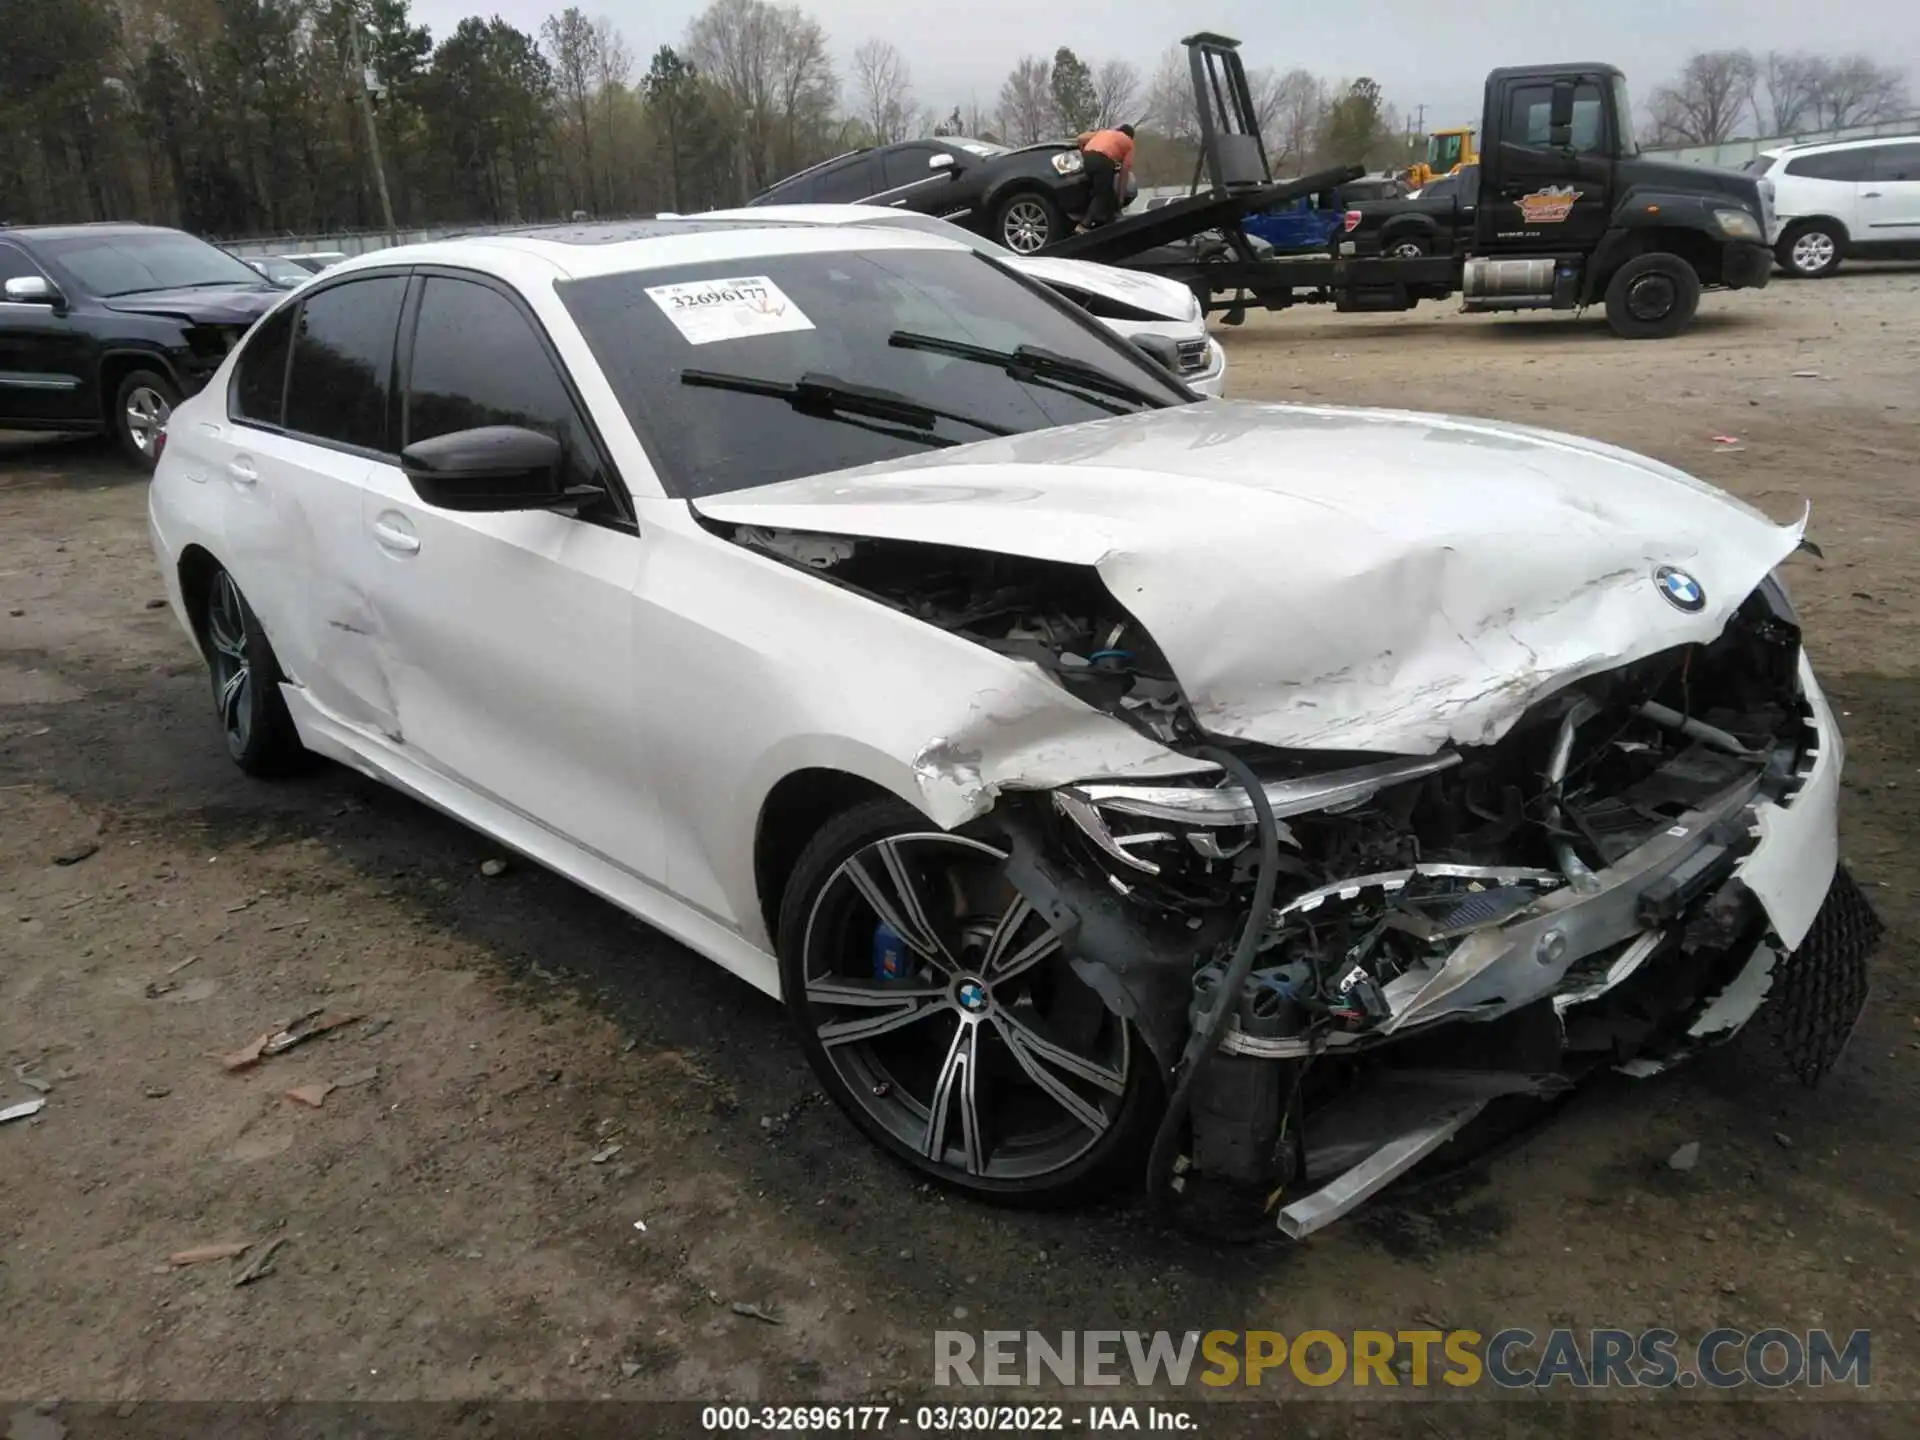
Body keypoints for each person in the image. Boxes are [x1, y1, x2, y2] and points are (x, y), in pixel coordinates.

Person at [1075, 123, 1135, 231]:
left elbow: (1080, 138)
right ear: (1130, 136)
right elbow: (1124, 171)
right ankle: (1084, 225)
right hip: (1103, 161)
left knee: (1102, 191)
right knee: (1102, 194)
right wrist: (1121, 197)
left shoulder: (1104, 132)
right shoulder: (1129, 142)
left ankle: (1107, 221)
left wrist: (1083, 151)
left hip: (1087, 159)